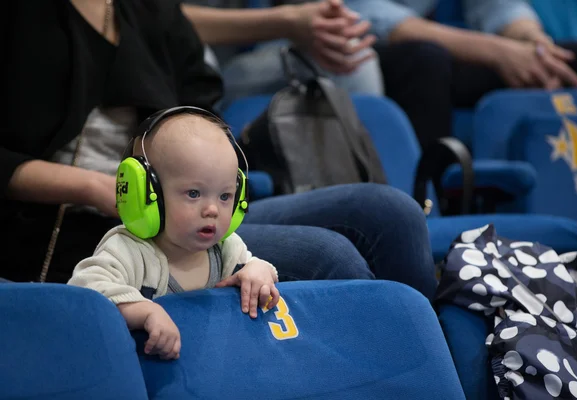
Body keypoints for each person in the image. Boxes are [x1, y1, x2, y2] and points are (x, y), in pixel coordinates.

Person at [2, 1, 437, 300]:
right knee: (329, 255)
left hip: (187, 202)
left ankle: (433, 372)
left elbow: (200, 98)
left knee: (391, 212)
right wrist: (101, 188)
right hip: (87, 226)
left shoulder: (145, 9)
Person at [69, 109, 280, 360]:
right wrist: (142, 311)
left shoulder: (226, 248)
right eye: (193, 193)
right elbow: (85, 289)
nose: (212, 209)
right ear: (145, 193)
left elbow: (251, 266)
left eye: (225, 196)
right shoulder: (128, 250)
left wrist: (259, 271)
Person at [340, 0, 577, 148]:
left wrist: (535, 45)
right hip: (361, 53)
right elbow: (372, 17)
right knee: (424, 62)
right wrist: (498, 52)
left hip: (447, 50)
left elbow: (500, 9)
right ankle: (429, 206)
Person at [181, 0, 384, 108]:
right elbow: (159, 20)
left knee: (353, 56)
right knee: (197, 54)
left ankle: (365, 174)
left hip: (243, 64)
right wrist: (287, 21)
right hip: (187, 72)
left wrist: (325, 23)